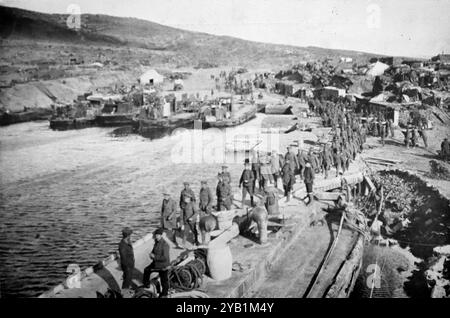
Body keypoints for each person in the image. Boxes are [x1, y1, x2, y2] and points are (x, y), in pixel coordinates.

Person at [142, 228, 170, 297]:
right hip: (156, 263)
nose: (156, 236)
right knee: (146, 270)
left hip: (163, 265)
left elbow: (165, 258)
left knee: (164, 280)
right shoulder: (156, 242)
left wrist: (154, 257)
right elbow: (153, 251)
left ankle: (165, 293)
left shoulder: (165, 245)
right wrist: (151, 254)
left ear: (161, 235)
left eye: (157, 235)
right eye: (156, 235)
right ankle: (147, 285)